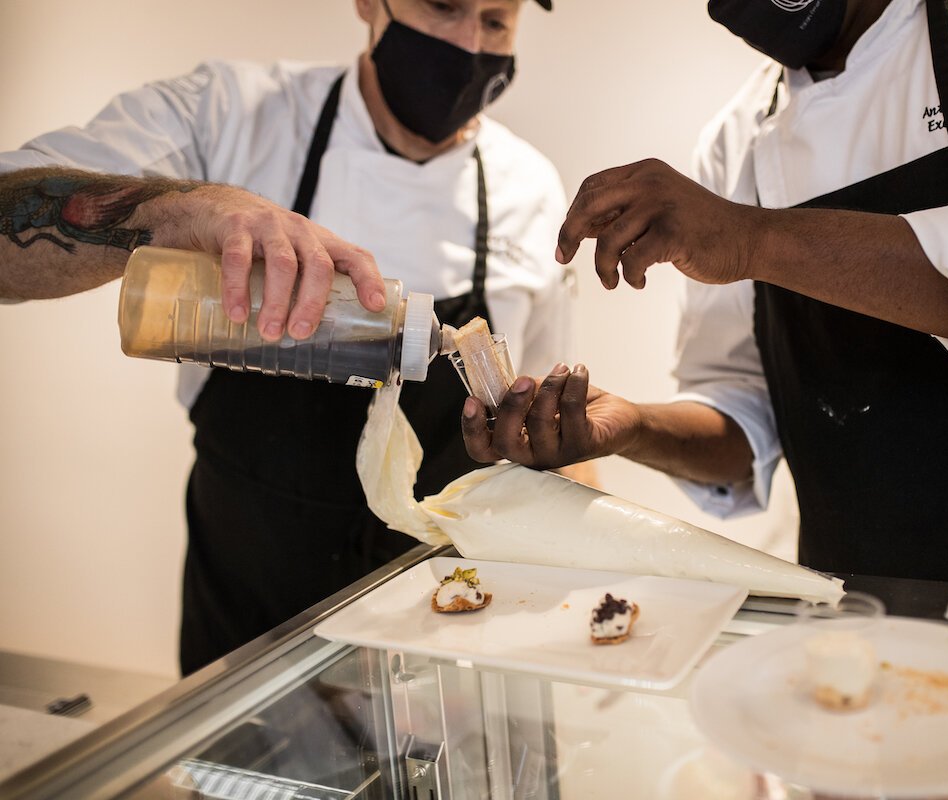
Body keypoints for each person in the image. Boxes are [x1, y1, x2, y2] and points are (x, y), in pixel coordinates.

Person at [464, 0, 948, 580]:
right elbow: (742, 417)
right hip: (867, 619)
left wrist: (756, 238)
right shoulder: (737, 141)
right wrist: (631, 429)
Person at [0, 0, 569, 674]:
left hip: (445, 654)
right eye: (442, 5)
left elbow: (543, 443)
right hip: (249, 639)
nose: (468, 43)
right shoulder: (231, 115)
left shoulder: (529, 189)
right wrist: (180, 211)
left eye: (496, 21)